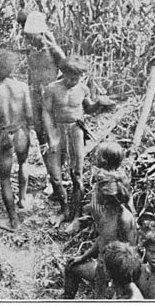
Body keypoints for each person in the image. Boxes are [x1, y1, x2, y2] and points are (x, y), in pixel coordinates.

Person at [42, 57, 101, 226]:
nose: (72, 81)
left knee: (77, 175)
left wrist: (99, 105)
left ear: (81, 76)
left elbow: (88, 108)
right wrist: (51, 135)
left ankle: (76, 213)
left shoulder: (82, 88)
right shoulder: (52, 89)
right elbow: (46, 112)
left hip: (76, 130)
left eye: (76, 78)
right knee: (55, 176)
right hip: (57, 130)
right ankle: (64, 209)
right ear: (63, 73)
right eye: (69, 77)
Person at [21, 11, 68, 222]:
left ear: (42, 32)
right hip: (36, 99)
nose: (31, 39)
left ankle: (58, 176)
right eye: (29, 36)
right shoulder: (31, 50)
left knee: (54, 139)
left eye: (34, 35)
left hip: (51, 100)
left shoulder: (53, 50)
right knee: (41, 138)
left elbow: (68, 70)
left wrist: (56, 89)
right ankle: (51, 176)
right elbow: (30, 75)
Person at [63, 168, 138, 299]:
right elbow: (102, 239)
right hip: (102, 267)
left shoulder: (124, 218)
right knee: (71, 267)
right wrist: (83, 258)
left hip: (114, 274)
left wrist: (114, 282)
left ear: (107, 194)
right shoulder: (107, 211)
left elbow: (129, 254)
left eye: (96, 191)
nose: (94, 194)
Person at [0, 50, 34, 230]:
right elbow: (29, 114)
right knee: (23, 163)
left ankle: (13, 221)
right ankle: (23, 199)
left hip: (4, 135)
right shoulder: (22, 86)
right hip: (20, 132)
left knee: (4, 178)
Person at [89, 142, 133, 223]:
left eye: (97, 156)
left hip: (108, 214)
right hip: (124, 212)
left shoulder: (103, 179)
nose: (95, 158)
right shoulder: (121, 175)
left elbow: (100, 201)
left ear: (104, 161)